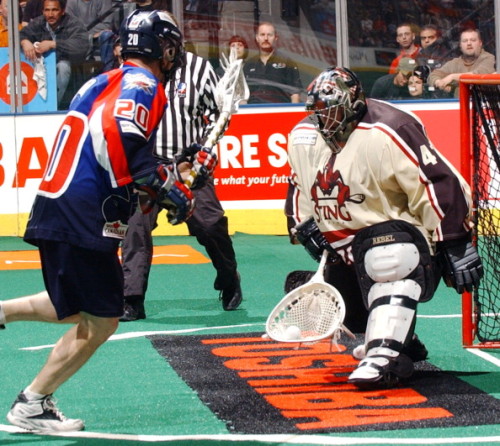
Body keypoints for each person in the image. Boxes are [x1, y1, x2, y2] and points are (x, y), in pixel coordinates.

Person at [0, 9, 198, 431]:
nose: (173, 54)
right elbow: (121, 134)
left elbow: (108, 144)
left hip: (60, 201)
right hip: (85, 208)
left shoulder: (100, 79)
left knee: (81, 304)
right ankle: (32, 404)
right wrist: (161, 183)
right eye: (169, 45)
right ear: (160, 46)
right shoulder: (143, 82)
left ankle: (2, 311)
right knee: (103, 317)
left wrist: (144, 185)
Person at [285, 67, 483, 388]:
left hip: (404, 246)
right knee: (341, 303)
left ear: (353, 103)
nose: (323, 120)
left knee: (389, 254)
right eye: (317, 112)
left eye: (330, 111)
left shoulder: (391, 129)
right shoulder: (304, 137)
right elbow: (299, 183)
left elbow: (437, 182)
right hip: (349, 253)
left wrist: (455, 242)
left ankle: (386, 355)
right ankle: (402, 337)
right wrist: (305, 226)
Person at [120, 11, 242, 321]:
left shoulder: (199, 69)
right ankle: (131, 298)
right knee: (136, 227)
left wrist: (206, 149)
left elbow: (219, 113)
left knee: (211, 226)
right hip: (147, 168)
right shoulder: (133, 72)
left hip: (186, 167)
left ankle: (229, 279)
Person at [20, 0, 89, 105]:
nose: (50, 14)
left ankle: (53, 105)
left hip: (68, 65)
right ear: (43, 11)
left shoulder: (73, 24)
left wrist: (54, 44)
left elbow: (81, 45)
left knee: (63, 67)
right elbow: (20, 34)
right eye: (47, 10)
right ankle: (35, 104)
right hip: (43, 64)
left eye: (54, 10)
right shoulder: (39, 22)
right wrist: (24, 41)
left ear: (62, 11)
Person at [243, 22, 302, 104]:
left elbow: (295, 94)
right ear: (257, 38)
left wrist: (294, 115)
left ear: (276, 38)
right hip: (254, 112)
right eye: (262, 35)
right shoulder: (249, 65)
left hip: (280, 112)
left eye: (269, 35)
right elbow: (243, 96)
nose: (266, 38)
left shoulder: (287, 62)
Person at [428, 28, 495, 98]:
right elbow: (433, 75)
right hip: (458, 105)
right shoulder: (455, 62)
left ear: (480, 43)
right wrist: (439, 82)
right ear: (460, 45)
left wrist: (452, 77)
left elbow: (479, 74)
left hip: (484, 105)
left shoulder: (489, 58)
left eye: (473, 40)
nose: (469, 43)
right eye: (465, 41)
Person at [65, 0, 116, 73]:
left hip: (99, 36)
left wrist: (89, 33)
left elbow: (107, 24)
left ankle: (107, 73)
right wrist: (89, 35)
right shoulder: (72, 2)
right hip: (79, 36)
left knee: (107, 35)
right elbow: (70, 25)